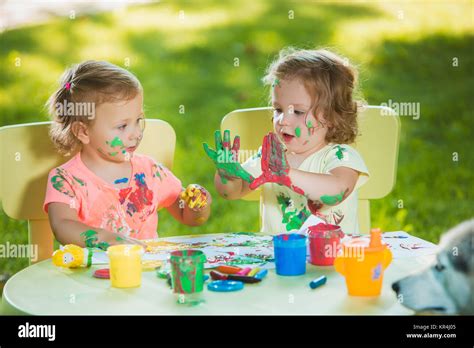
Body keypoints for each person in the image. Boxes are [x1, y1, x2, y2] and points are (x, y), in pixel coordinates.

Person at [44, 60, 211, 249]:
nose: (136, 133)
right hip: (88, 275)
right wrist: (106, 238)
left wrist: (197, 206)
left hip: (145, 271)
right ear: (83, 132)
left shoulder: (149, 171)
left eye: (138, 120)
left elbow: (186, 216)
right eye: (122, 126)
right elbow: (62, 225)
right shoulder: (66, 180)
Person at [205, 48, 369, 235]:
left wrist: (286, 174)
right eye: (278, 109)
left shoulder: (341, 157)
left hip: (332, 259)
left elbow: (337, 191)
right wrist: (228, 175)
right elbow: (232, 192)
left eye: (298, 112)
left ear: (332, 117)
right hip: (278, 257)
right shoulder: (271, 156)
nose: (283, 120)